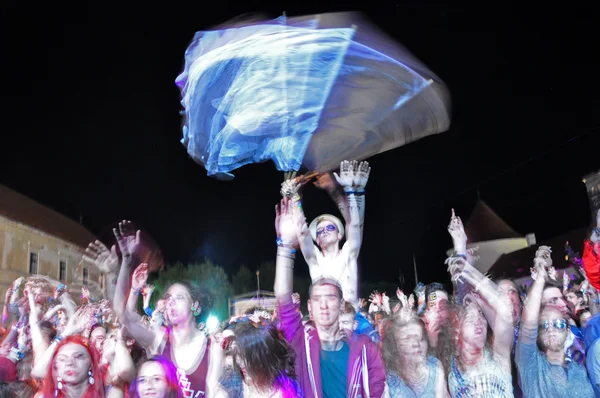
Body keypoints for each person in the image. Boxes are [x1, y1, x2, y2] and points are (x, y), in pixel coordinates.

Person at [274, 197, 385, 398]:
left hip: (356, 320)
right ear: (310, 305)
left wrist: (349, 192)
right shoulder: (304, 340)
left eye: (331, 297)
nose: (324, 304)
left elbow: (355, 225)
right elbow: (302, 231)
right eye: (317, 299)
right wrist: (295, 200)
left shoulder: (365, 348)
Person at [112, 221, 223, 398]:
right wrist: (127, 262)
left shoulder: (212, 348)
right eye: (168, 298)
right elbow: (122, 313)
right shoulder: (158, 340)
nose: (171, 302)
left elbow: (214, 392)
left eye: (179, 297)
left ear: (194, 305)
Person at [286, 160, 370, 306]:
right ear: (317, 241)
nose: (324, 232)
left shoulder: (348, 253)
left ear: (339, 235)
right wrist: (294, 196)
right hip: (325, 324)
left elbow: (355, 224)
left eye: (330, 228)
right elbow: (302, 232)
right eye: (319, 231)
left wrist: (348, 189)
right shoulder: (316, 261)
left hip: (352, 323)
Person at [516, 246, 595, 397]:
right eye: (545, 325)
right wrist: (540, 278)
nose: (551, 329)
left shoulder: (579, 370)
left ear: (567, 330)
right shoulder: (532, 366)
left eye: (558, 324)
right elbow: (528, 326)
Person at [216, 320, 300, 397]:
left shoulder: (283, 393)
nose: (240, 362)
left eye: (248, 357)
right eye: (238, 354)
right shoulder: (235, 383)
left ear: (264, 358)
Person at [382, 317, 448, 397]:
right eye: (408, 339)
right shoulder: (387, 376)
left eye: (421, 338)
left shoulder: (435, 366)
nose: (416, 344)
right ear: (395, 346)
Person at [35, 335, 105, 398]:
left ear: (91, 363)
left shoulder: (108, 393)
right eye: (62, 359)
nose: (69, 363)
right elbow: (36, 371)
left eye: (79, 356)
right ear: (56, 366)